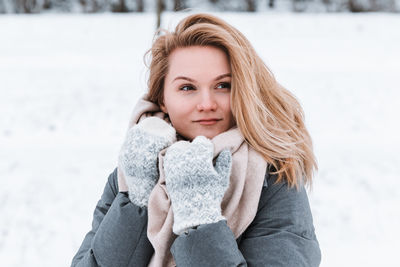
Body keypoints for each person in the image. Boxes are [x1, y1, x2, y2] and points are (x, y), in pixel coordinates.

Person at [71, 13, 321, 267]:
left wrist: (200, 220)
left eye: (223, 85)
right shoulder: (133, 171)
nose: (207, 104)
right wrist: (137, 202)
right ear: (162, 99)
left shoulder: (272, 177)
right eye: (187, 88)